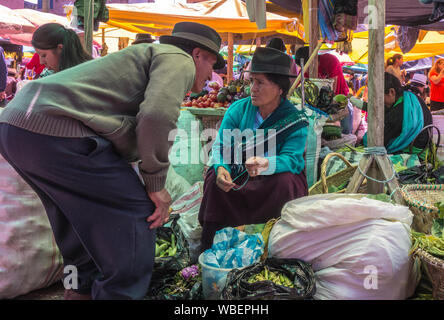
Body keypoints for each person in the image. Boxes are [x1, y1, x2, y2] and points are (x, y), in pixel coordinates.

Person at [0, 21, 224, 300]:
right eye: (213, 64)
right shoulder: (178, 58)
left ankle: (78, 290)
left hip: (15, 126)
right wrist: (155, 184)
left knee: (71, 217)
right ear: (198, 54)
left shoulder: (145, 57)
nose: (211, 75)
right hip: (53, 131)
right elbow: (156, 115)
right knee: (137, 214)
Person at [198, 47, 309, 252]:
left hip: (271, 182)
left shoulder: (295, 121)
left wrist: (267, 164)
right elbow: (221, 147)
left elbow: (293, 160)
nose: (252, 89)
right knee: (214, 177)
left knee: (286, 181)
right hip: (239, 178)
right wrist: (222, 167)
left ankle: (275, 245)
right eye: (251, 82)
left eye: (260, 83)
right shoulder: (238, 110)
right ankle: (213, 246)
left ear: (279, 88)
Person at [349, 72, 432, 158]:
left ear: (391, 92)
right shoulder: (409, 97)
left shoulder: (397, 112)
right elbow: (379, 109)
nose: (379, 102)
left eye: (379, 98)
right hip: (424, 148)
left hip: (412, 155)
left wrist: (362, 142)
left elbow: (378, 142)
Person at [294, 46, 352, 134]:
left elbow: (332, 90)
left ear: (314, 58)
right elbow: (299, 89)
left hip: (340, 100)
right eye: (305, 67)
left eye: (308, 66)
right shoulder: (304, 71)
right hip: (321, 107)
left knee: (346, 130)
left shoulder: (329, 59)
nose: (308, 70)